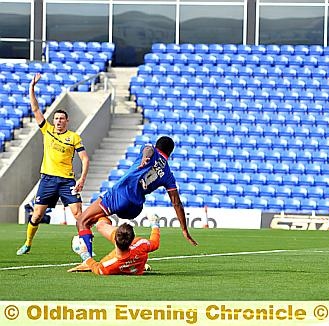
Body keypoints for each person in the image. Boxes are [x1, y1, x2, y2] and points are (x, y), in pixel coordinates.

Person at [70, 135, 197, 271]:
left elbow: (148, 149)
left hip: (121, 194)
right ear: (170, 153)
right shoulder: (168, 174)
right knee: (100, 221)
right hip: (135, 207)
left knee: (82, 221)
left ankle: (86, 259)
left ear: (156, 146)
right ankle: (131, 256)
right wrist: (184, 228)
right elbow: (176, 203)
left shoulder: (150, 151)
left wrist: (144, 158)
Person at [17, 73, 90, 255]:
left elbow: (85, 159)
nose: (58, 121)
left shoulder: (73, 137)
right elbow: (35, 109)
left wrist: (81, 179)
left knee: (79, 215)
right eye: (56, 119)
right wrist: (31, 87)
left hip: (67, 182)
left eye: (61, 119)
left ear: (67, 121)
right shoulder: (47, 130)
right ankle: (27, 243)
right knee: (37, 215)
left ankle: (87, 248)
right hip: (48, 180)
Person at [72, 215, 160, 275]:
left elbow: (97, 269)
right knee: (100, 225)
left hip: (121, 260)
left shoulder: (110, 264)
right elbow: (155, 243)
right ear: (132, 239)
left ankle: (103, 212)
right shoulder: (140, 245)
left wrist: (84, 254)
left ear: (115, 239)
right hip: (133, 261)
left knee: (100, 224)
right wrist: (155, 224)